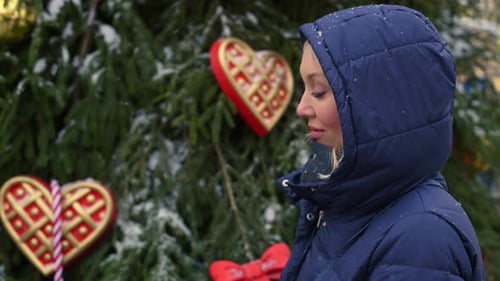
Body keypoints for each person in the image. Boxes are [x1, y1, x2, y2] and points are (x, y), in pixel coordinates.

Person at [277, 4, 486, 281]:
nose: (301, 107)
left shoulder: (421, 238)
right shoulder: (353, 202)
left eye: (318, 91)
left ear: (377, 106)